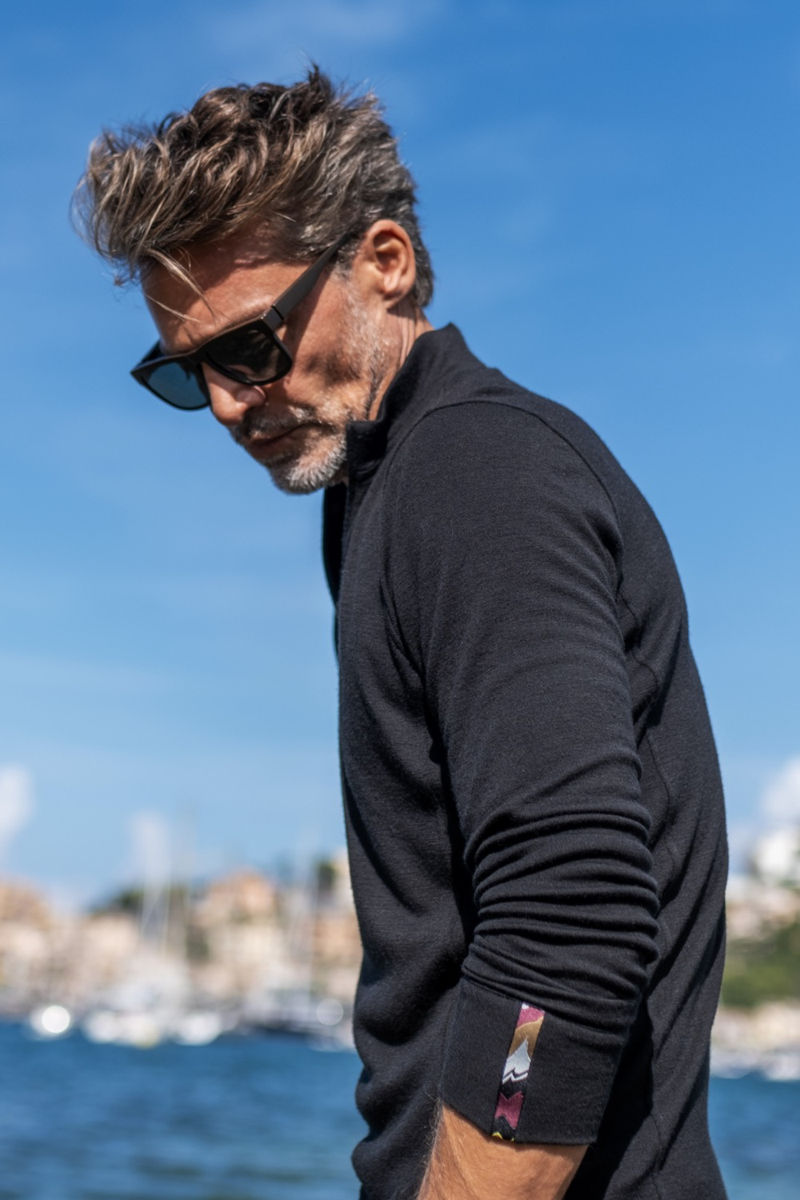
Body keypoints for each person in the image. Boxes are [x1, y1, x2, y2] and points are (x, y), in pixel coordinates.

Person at [75, 68, 729, 1200]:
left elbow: (568, 908)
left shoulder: (473, 473)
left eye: (250, 347)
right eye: (186, 375)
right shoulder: (378, 490)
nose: (227, 403)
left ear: (384, 261)